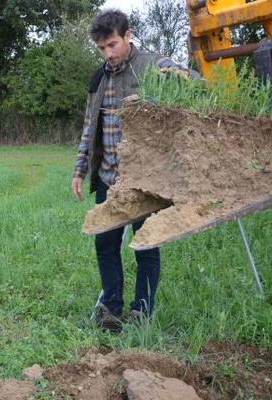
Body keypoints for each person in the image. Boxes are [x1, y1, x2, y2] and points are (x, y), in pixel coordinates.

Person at [70, 10, 192, 331]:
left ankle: (142, 313)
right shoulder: (98, 80)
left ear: (127, 36)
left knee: (146, 246)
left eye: (112, 45)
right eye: (101, 49)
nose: (108, 54)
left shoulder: (151, 65)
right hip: (109, 180)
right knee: (105, 245)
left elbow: (184, 75)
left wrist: (179, 76)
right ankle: (110, 308)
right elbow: (88, 128)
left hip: (144, 182)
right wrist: (79, 170)